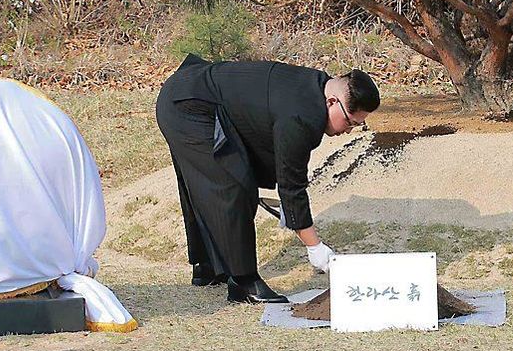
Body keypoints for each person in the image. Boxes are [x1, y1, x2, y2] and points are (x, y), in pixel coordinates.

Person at [155, 55, 380, 304]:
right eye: (350, 122)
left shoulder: (315, 86)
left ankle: (208, 267)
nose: (348, 130)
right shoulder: (302, 116)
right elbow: (292, 184)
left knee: (210, 183)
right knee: (233, 188)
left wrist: (290, 208)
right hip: (187, 105)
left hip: (194, 92)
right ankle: (243, 281)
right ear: (332, 101)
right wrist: (315, 247)